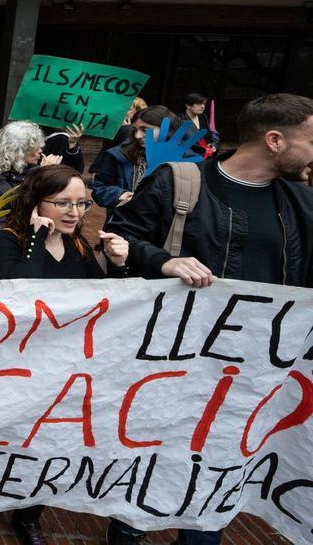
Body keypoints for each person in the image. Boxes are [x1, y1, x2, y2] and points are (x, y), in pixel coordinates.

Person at [106, 96, 313, 543]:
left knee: (214, 483)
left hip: (251, 377)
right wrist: (163, 261)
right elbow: (122, 235)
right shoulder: (179, 182)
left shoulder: (300, 201)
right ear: (275, 141)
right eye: (311, 141)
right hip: (171, 368)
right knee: (145, 471)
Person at [0, 165, 130, 545]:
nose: (74, 212)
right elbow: (22, 290)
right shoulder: (9, 239)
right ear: (37, 203)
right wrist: (38, 235)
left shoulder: (79, 244)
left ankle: (29, 513)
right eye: (62, 203)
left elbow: (106, 303)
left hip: (61, 368)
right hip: (10, 365)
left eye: (81, 203)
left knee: (48, 442)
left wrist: (119, 266)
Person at [92, 105, 179, 210]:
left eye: (145, 130)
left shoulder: (187, 160)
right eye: (135, 130)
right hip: (123, 221)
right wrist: (119, 195)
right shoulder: (120, 154)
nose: (138, 135)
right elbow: (99, 188)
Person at [0, 120, 53, 220]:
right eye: (34, 147)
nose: (40, 151)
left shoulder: (32, 169)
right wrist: (43, 176)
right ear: (18, 149)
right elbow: (17, 209)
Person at [183, 91, 220, 156]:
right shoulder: (180, 120)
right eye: (199, 104)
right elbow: (179, 144)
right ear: (188, 105)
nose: (203, 106)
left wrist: (213, 146)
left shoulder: (203, 117)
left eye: (204, 104)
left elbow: (213, 136)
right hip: (189, 160)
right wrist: (201, 151)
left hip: (208, 158)